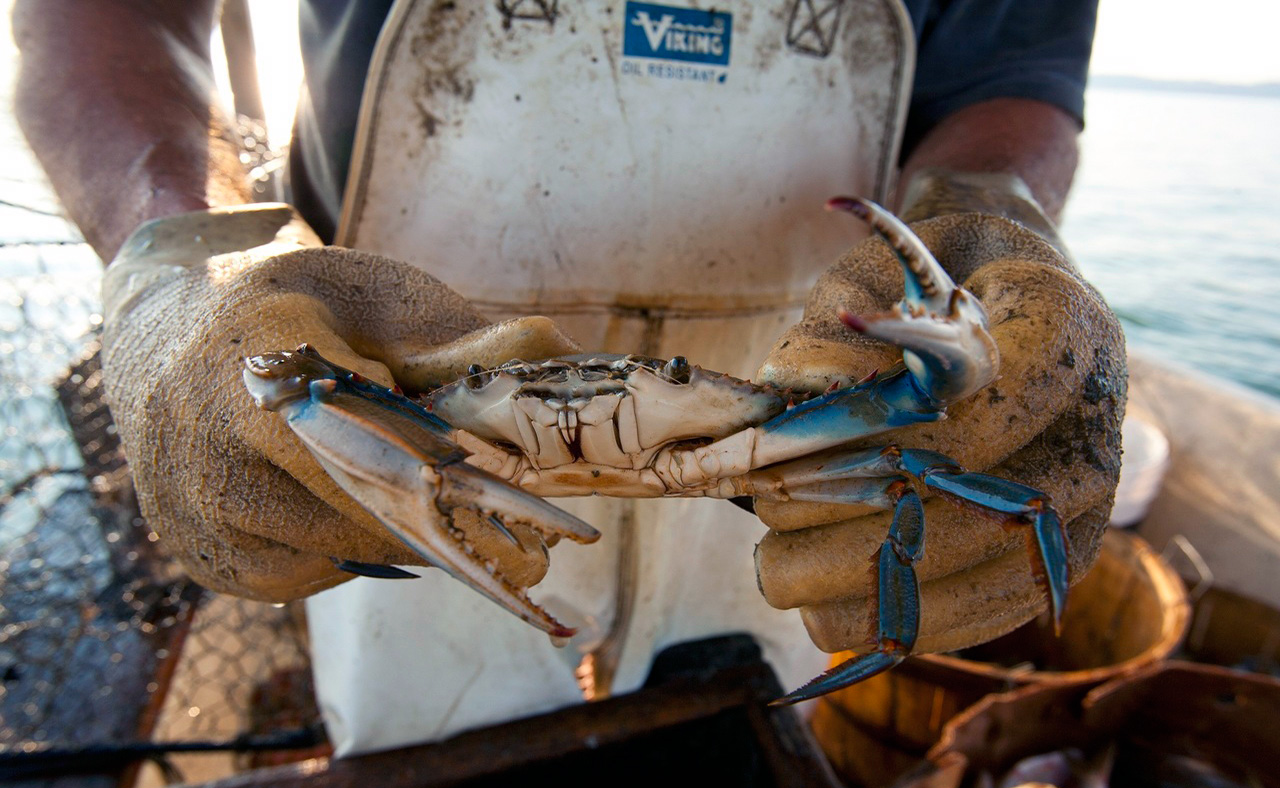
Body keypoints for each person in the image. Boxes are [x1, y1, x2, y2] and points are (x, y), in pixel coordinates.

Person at [13, 0, 1124, 756]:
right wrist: (182, 262)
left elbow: (1008, 87)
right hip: (399, 416)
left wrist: (993, 231)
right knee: (425, 733)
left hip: (796, 407)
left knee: (743, 723)